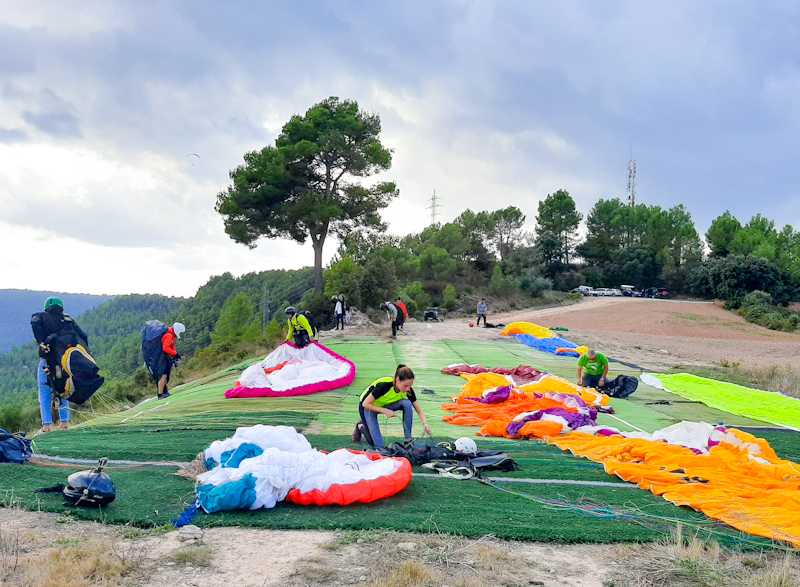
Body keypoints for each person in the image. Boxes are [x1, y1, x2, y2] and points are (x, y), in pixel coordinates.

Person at [30, 297, 86, 433]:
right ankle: (64, 424)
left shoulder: (41, 317)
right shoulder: (68, 320)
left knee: (44, 393)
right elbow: (83, 336)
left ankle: (47, 426)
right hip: (65, 363)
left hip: (47, 361)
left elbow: (34, 323)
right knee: (63, 390)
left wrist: (41, 341)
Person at [357, 365, 433, 448]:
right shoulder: (384, 386)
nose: (408, 389)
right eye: (406, 386)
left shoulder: (408, 390)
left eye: (410, 386)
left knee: (407, 403)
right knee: (377, 445)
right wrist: (385, 411)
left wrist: (425, 423)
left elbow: (419, 410)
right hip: (369, 407)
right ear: (398, 381)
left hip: (386, 404)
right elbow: (365, 404)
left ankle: (408, 441)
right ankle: (360, 426)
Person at [156, 322, 185, 399]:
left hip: (164, 357)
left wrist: (175, 354)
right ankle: (160, 394)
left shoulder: (172, 336)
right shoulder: (169, 336)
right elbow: (165, 348)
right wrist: (174, 354)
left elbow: (172, 346)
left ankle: (165, 392)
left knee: (166, 375)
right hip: (161, 358)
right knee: (163, 375)